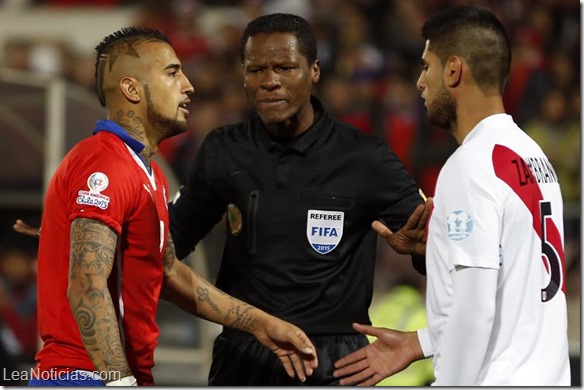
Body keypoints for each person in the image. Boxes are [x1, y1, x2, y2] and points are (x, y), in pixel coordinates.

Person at [24, 26, 318, 386]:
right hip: (83, 376)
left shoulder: (147, 173)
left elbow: (168, 273)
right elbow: (87, 283)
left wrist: (259, 322)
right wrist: (119, 382)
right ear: (132, 89)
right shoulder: (105, 164)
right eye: (172, 72)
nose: (188, 85)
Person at [168, 13, 429, 386]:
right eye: (256, 69)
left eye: (285, 68)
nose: (270, 81)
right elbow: (170, 240)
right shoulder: (224, 151)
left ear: (315, 71)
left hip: (333, 361)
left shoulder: (365, 159)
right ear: (243, 75)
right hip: (245, 352)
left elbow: (432, 249)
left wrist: (418, 251)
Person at [333, 5, 570, 386]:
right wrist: (421, 341)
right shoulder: (532, 155)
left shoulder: (470, 165)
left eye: (427, 67)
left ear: (454, 70)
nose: (420, 83)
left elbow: (474, 309)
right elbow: (514, 286)